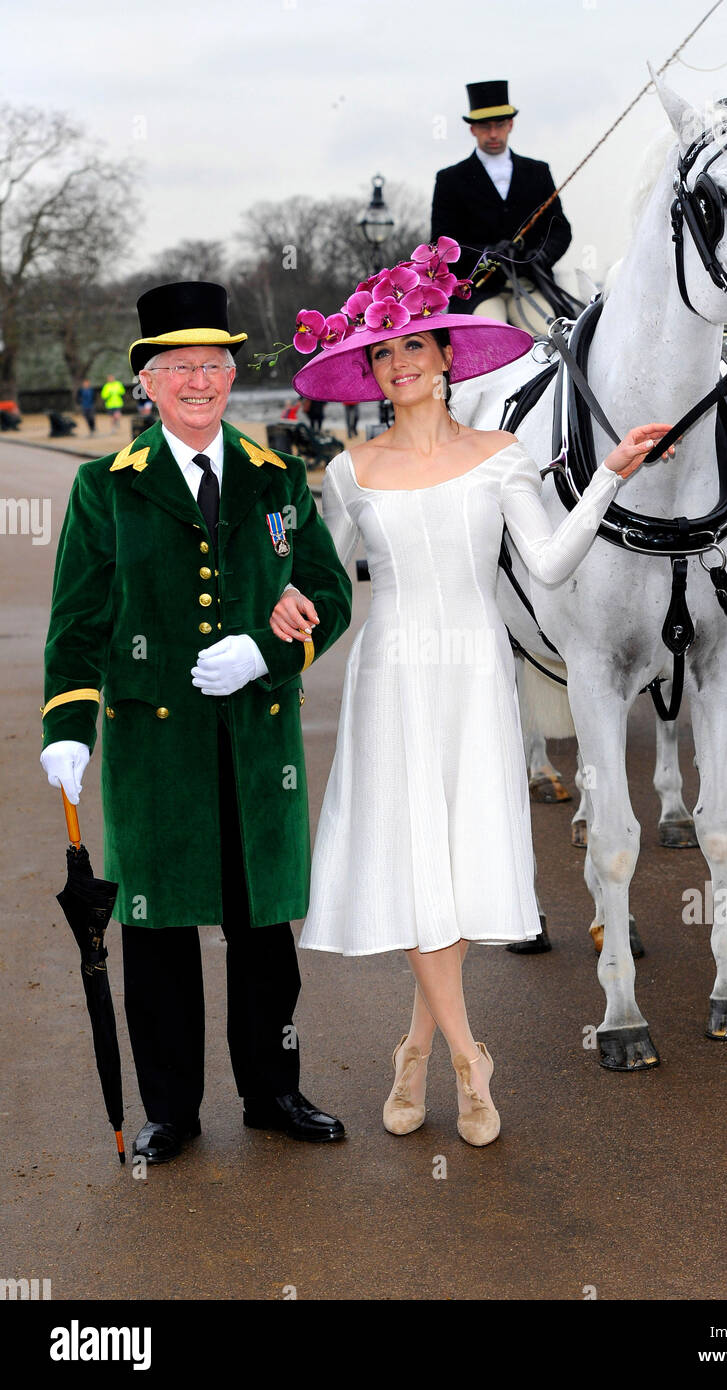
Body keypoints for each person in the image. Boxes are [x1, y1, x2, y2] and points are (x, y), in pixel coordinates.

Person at [270, 246, 673, 1147]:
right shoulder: (347, 472)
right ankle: (465, 1058)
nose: (400, 361)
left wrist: (608, 476)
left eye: (415, 345)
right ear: (369, 371)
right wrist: (282, 600)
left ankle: (414, 1049)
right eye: (382, 352)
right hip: (392, 676)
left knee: (449, 860)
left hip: (474, 669)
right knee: (418, 859)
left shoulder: (502, 456)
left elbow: (549, 561)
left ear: (448, 357)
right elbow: (318, 580)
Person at [40, 281, 352, 1164]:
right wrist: (68, 727)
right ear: (146, 380)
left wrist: (268, 650)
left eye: (213, 364)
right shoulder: (108, 488)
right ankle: (171, 1109)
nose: (199, 380)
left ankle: (273, 1090)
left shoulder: (276, 475)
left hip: (256, 744)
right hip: (155, 743)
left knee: (263, 936)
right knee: (159, 933)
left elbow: (326, 591)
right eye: (178, 366)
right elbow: (79, 619)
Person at [430, 80, 572, 336]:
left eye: (499, 126)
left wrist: (539, 256)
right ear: (473, 129)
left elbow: (560, 230)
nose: (493, 134)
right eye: (485, 127)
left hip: (530, 284)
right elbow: (441, 244)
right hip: (480, 289)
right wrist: (485, 254)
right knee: (492, 338)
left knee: (552, 338)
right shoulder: (450, 179)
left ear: (511, 125)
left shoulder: (538, 172)